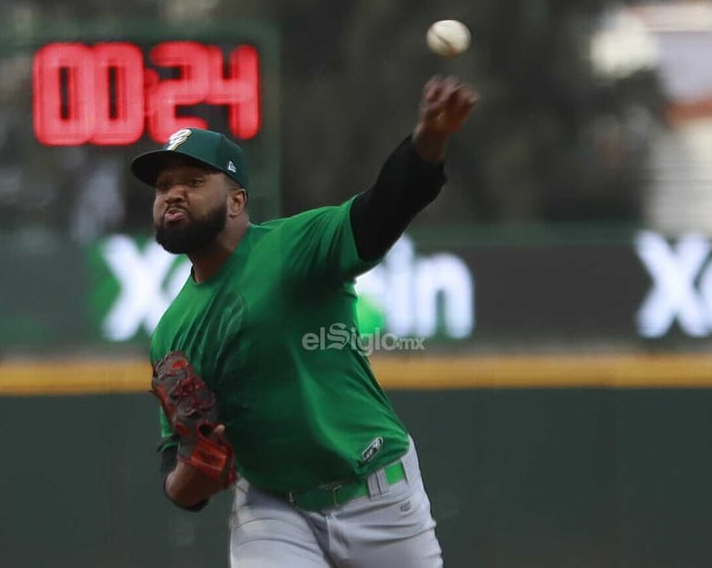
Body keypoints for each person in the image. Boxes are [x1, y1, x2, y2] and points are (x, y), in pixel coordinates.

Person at [130, 75, 477, 568]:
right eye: (164, 186)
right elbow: (181, 483)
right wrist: (199, 466)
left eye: (194, 180)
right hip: (271, 507)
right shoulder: (172, 332)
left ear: (237, 201)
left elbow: (383, 209)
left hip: (377, 490)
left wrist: (429, 142)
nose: (173, 194)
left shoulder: (294, 247)